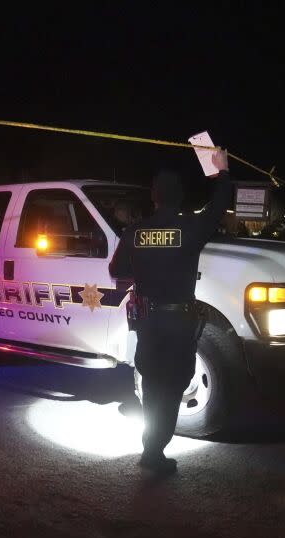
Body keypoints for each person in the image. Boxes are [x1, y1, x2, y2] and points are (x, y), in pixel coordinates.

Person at [109, 148, 232, 474]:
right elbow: (218, 207)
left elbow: (117, 268)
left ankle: (152, 448)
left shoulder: (135, 232)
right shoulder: (190, 228)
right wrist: (222, 172)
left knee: (151, 383)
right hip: (179, 321)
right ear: (180, 198)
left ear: (154, 196)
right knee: (174, 382)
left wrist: (145, 267)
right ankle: (155, 451)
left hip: (148, 320)